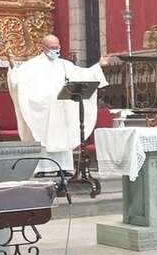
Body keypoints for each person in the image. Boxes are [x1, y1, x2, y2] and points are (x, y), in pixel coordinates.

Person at [8, 35, 109, 174]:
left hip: (62, 109)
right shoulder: (33, 65)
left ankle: (63, 167)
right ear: (43, 48)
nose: (55, 50)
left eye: (57, 47)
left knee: (63, 137)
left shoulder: (64, 64)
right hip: (45, 111)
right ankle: (44, 168)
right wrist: (13, 68)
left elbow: (83, 75)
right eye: (52, 47)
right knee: (44, 137)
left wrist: (99, 66)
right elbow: (18, 79)